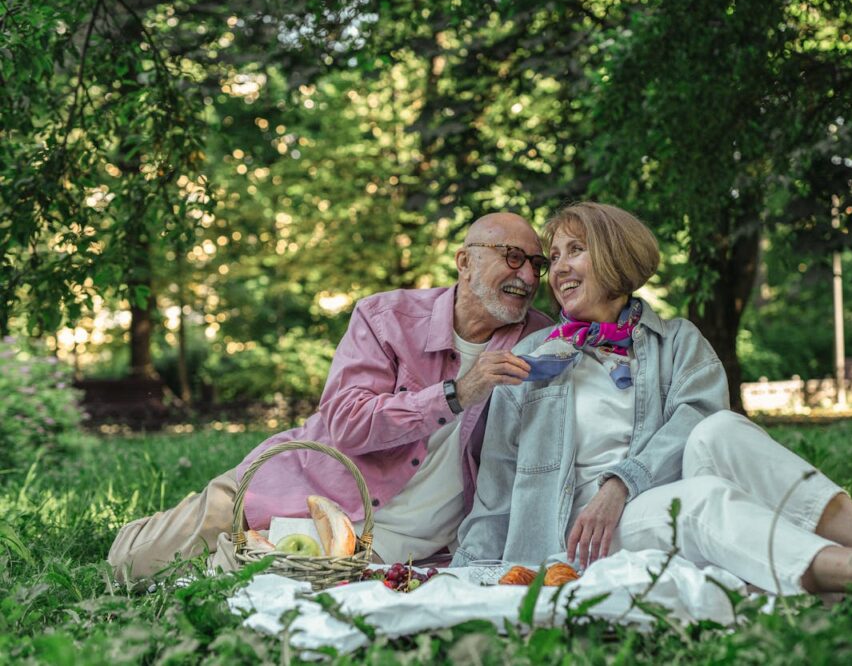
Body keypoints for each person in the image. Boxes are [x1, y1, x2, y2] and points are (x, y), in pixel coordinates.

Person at [453, 201, 852, 613]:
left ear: (616, 257)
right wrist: (460, 578)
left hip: (642, 494)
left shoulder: (677, 340)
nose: (558, 269)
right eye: (554, 258)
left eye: (575, 250)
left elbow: (695, 422)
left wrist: (623, 482)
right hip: (576, 531)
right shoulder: (529, 358)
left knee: (720, 427)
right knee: (699, 499)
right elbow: (498, 481)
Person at [108, 212, 553, 584]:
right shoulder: (387, 317)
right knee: (130, 566)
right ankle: (155, 530)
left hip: (384, 546)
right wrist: (456, 393)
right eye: (513, 258)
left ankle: (227, 561)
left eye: (537, 265)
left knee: (225, 588)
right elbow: (346, 422)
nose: (528, 276)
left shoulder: (539, 338)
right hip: (298, 487)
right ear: (464, 262)